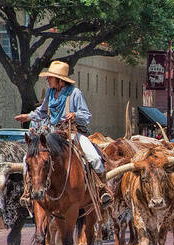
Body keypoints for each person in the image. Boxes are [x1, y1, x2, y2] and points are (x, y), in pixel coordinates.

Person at [14, 60, 112, 207]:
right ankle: (28, 191)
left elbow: (86, 115)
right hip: (51, 135)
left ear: (59, 80)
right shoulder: (50, 92)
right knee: (27, 159)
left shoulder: (75, 93)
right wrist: (27, 117)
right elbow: (41, 112)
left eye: (50, 77)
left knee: (94, 158)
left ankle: (102, 188)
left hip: (71, 134)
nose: (47, 79)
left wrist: (75, 115)